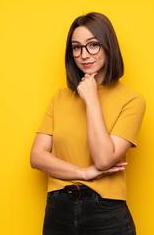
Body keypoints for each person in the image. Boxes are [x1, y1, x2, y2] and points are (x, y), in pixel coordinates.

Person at [30, 12, 146, 235]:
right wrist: (83, 173)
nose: (84, 55)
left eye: (93, 45)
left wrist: (92, 99)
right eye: (76, 47)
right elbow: (37, 157)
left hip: (105, 211)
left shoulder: (132, 100)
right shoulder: (60, 97)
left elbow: (103, 160)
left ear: (108, 46)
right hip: (58, 208)